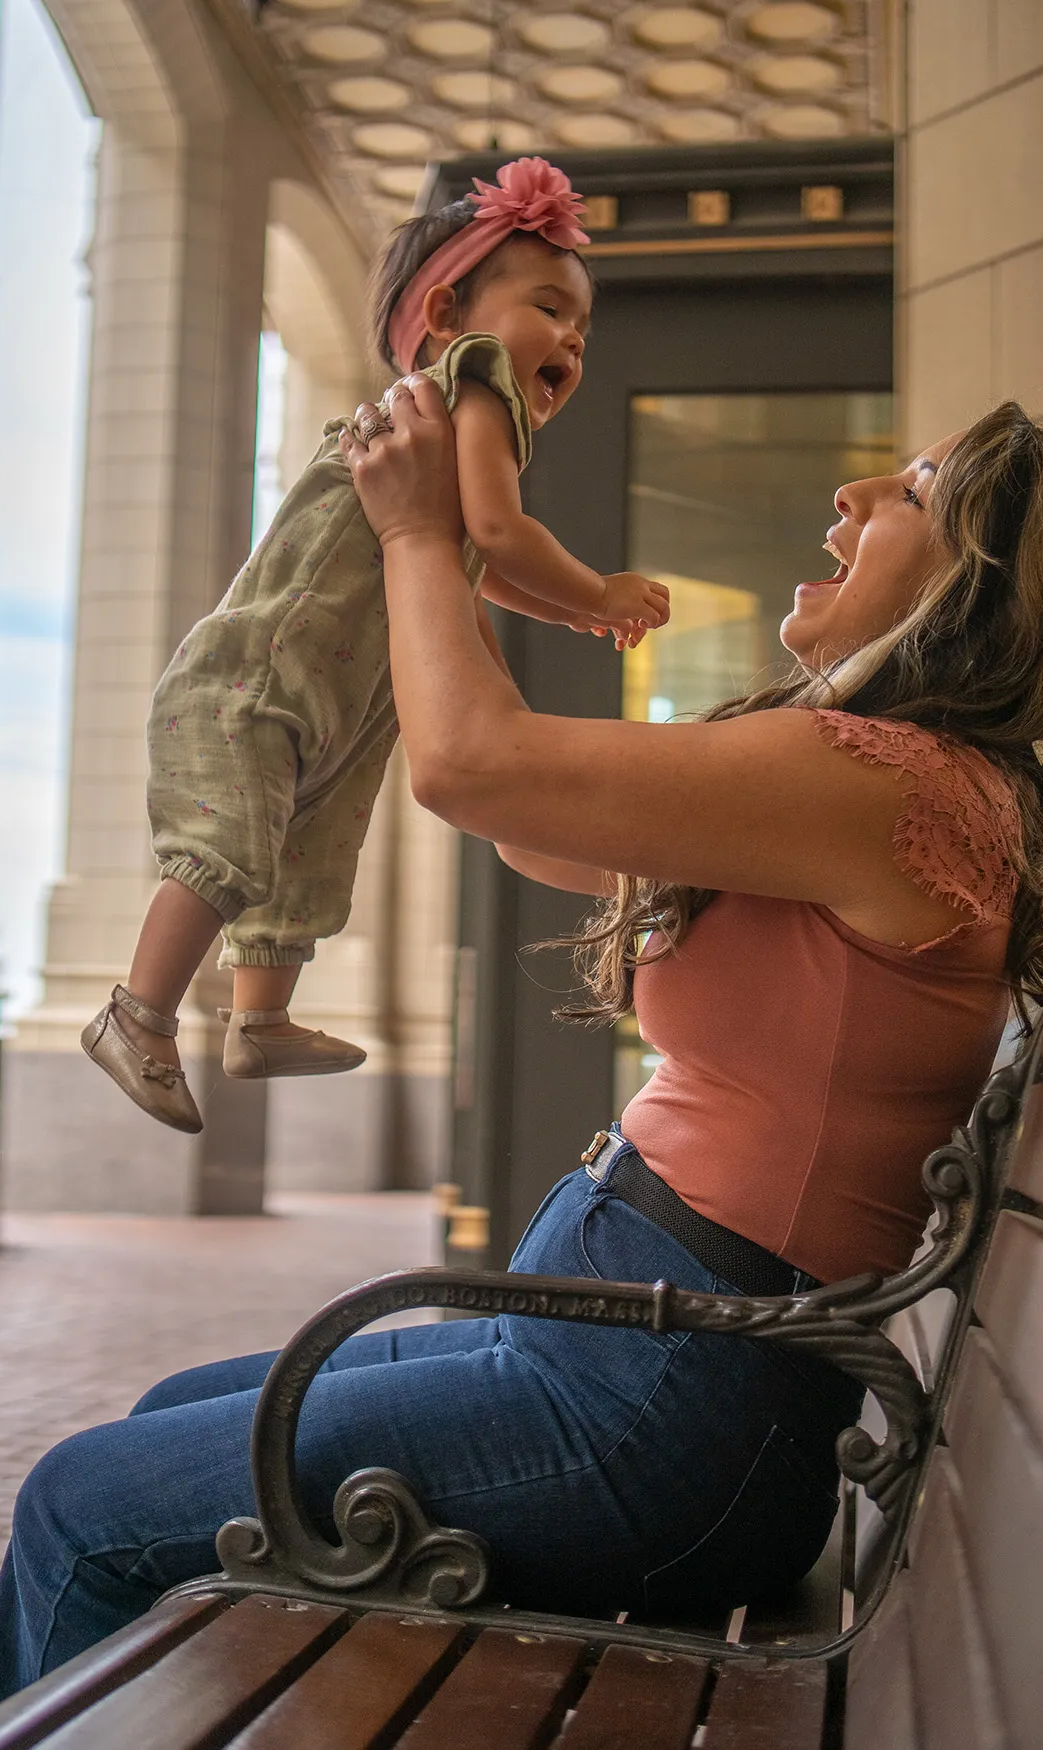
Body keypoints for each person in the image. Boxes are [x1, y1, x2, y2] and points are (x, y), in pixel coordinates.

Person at [0, 393, 1043, 1724]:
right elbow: (535, 824)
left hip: (663, 1407)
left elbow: (479, 771)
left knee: (84, 1499)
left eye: (916, 490)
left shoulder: (893, 781)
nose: (856, 496)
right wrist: (446, 554)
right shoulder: (895, 785)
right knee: (177, 1411)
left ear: (980, 584)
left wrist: (424, 535)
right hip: (646, 1358)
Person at [81, 157, 669, 1135]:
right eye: (548, 307)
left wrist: (564, 613)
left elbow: (467, 557)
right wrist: (593, 588)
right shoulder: (473, 387)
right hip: (259, 673)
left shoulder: (429, 421)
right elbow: (496, 531)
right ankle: (135, 1015)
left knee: (305, 852)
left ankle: (259, 1019)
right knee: (227, 852)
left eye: (580, 325)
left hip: (327, 690)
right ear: (446, 314)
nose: (569, 337)